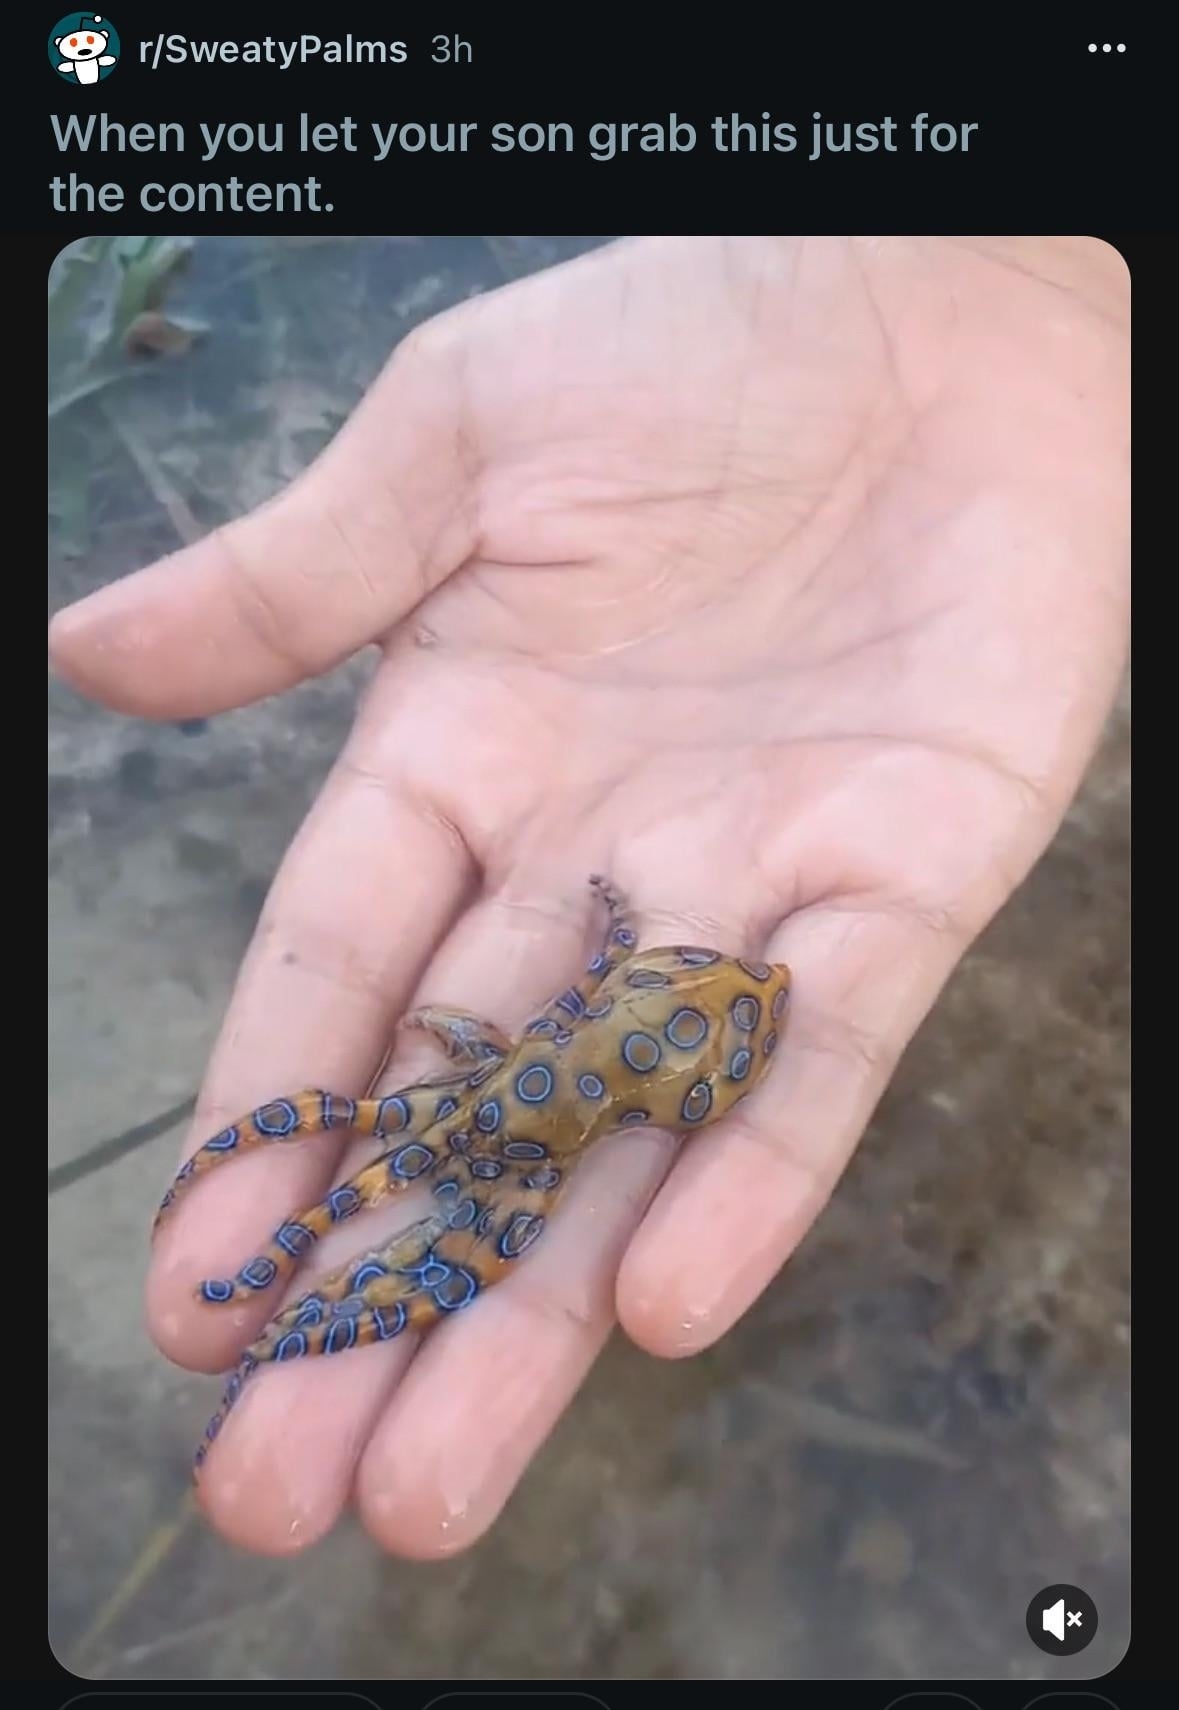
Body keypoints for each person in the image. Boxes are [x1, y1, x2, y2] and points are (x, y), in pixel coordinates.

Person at [47, 235, 1129, 1559]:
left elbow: (607, 1032)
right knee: (364, 1182)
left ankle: (271, 1296)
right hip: (542, 1076)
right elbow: (586, 1031)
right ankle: (264, 1294)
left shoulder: (620, 1038)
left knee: (365, 1172)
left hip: (556, 1071)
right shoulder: (577, 1054)